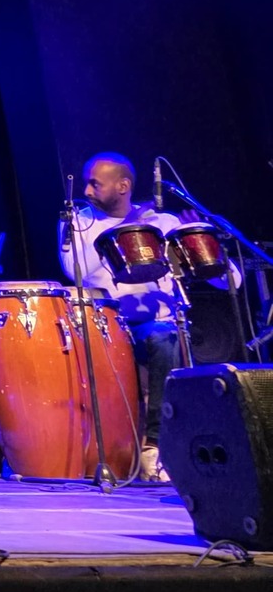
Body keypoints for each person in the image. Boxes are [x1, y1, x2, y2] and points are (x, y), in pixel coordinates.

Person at [63, 152, 241, 482]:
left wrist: (200, 241)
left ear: (123, 186)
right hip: (106, 327)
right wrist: (126, 228)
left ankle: (155, 446)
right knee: (158, 336)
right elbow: (77, 270)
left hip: (156, 327)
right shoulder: (78, 222)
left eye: (95, 184)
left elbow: (232, 281)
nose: (86, 191)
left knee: (164, 335)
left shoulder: (163, 223)